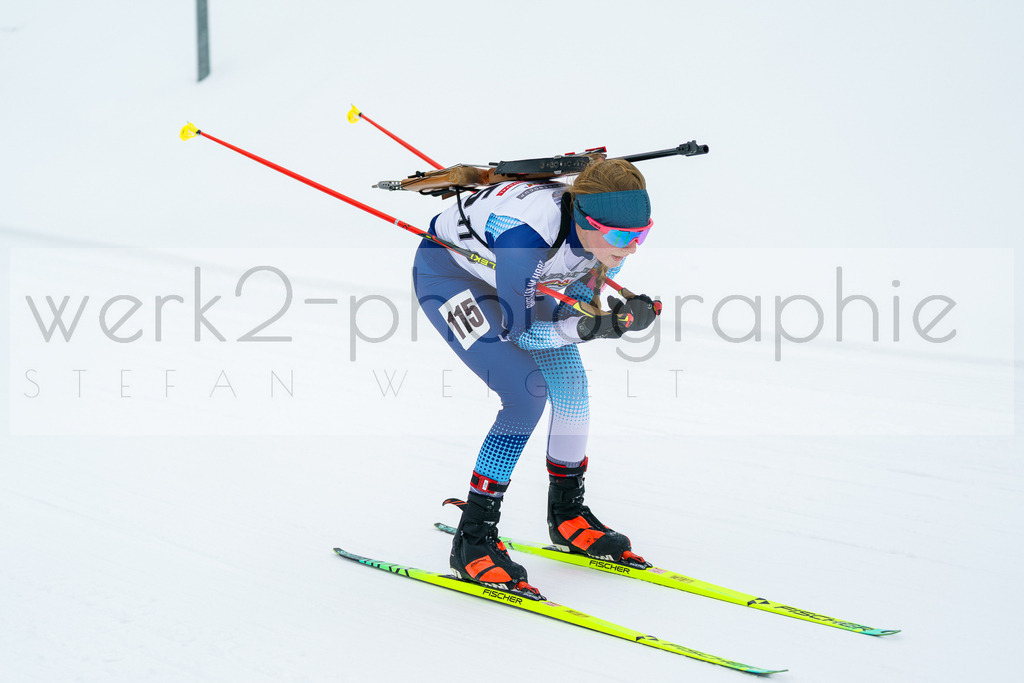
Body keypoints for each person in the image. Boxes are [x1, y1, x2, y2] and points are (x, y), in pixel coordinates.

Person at [412, 158, 658, 597]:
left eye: (642, 234)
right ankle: (472, 538)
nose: (633, 247)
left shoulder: (605, 243)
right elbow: (523, 333)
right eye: (623, 237)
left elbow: (571, 307)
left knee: (571, 386)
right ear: (585, 221)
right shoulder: (524, 238)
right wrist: (590, 328)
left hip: (521, 281)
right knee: (526, 392)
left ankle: (567, 514)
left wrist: (604, 320)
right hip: (450, 277)